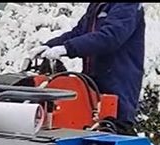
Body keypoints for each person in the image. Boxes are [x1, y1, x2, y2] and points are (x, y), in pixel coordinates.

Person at [34, 3, 145, 135]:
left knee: (116, 128)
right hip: (93, 83)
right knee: (90, 129)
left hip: (118, 83)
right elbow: (79, 33)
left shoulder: (127, 6)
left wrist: (67, 48)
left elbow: (110, 37)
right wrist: (50, 46)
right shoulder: (98, 6)